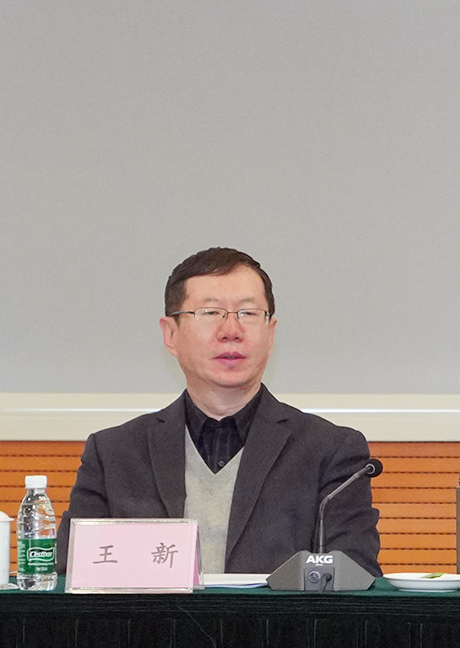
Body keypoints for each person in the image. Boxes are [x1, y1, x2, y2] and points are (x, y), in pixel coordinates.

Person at [68, 246, 380, 576]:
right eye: (210, 312)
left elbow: (354, 577)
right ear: (170, 334)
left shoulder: (329, 452)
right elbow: (70, 576)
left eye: (248, 313)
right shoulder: (113, 454)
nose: (231, 331)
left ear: (270, 333)